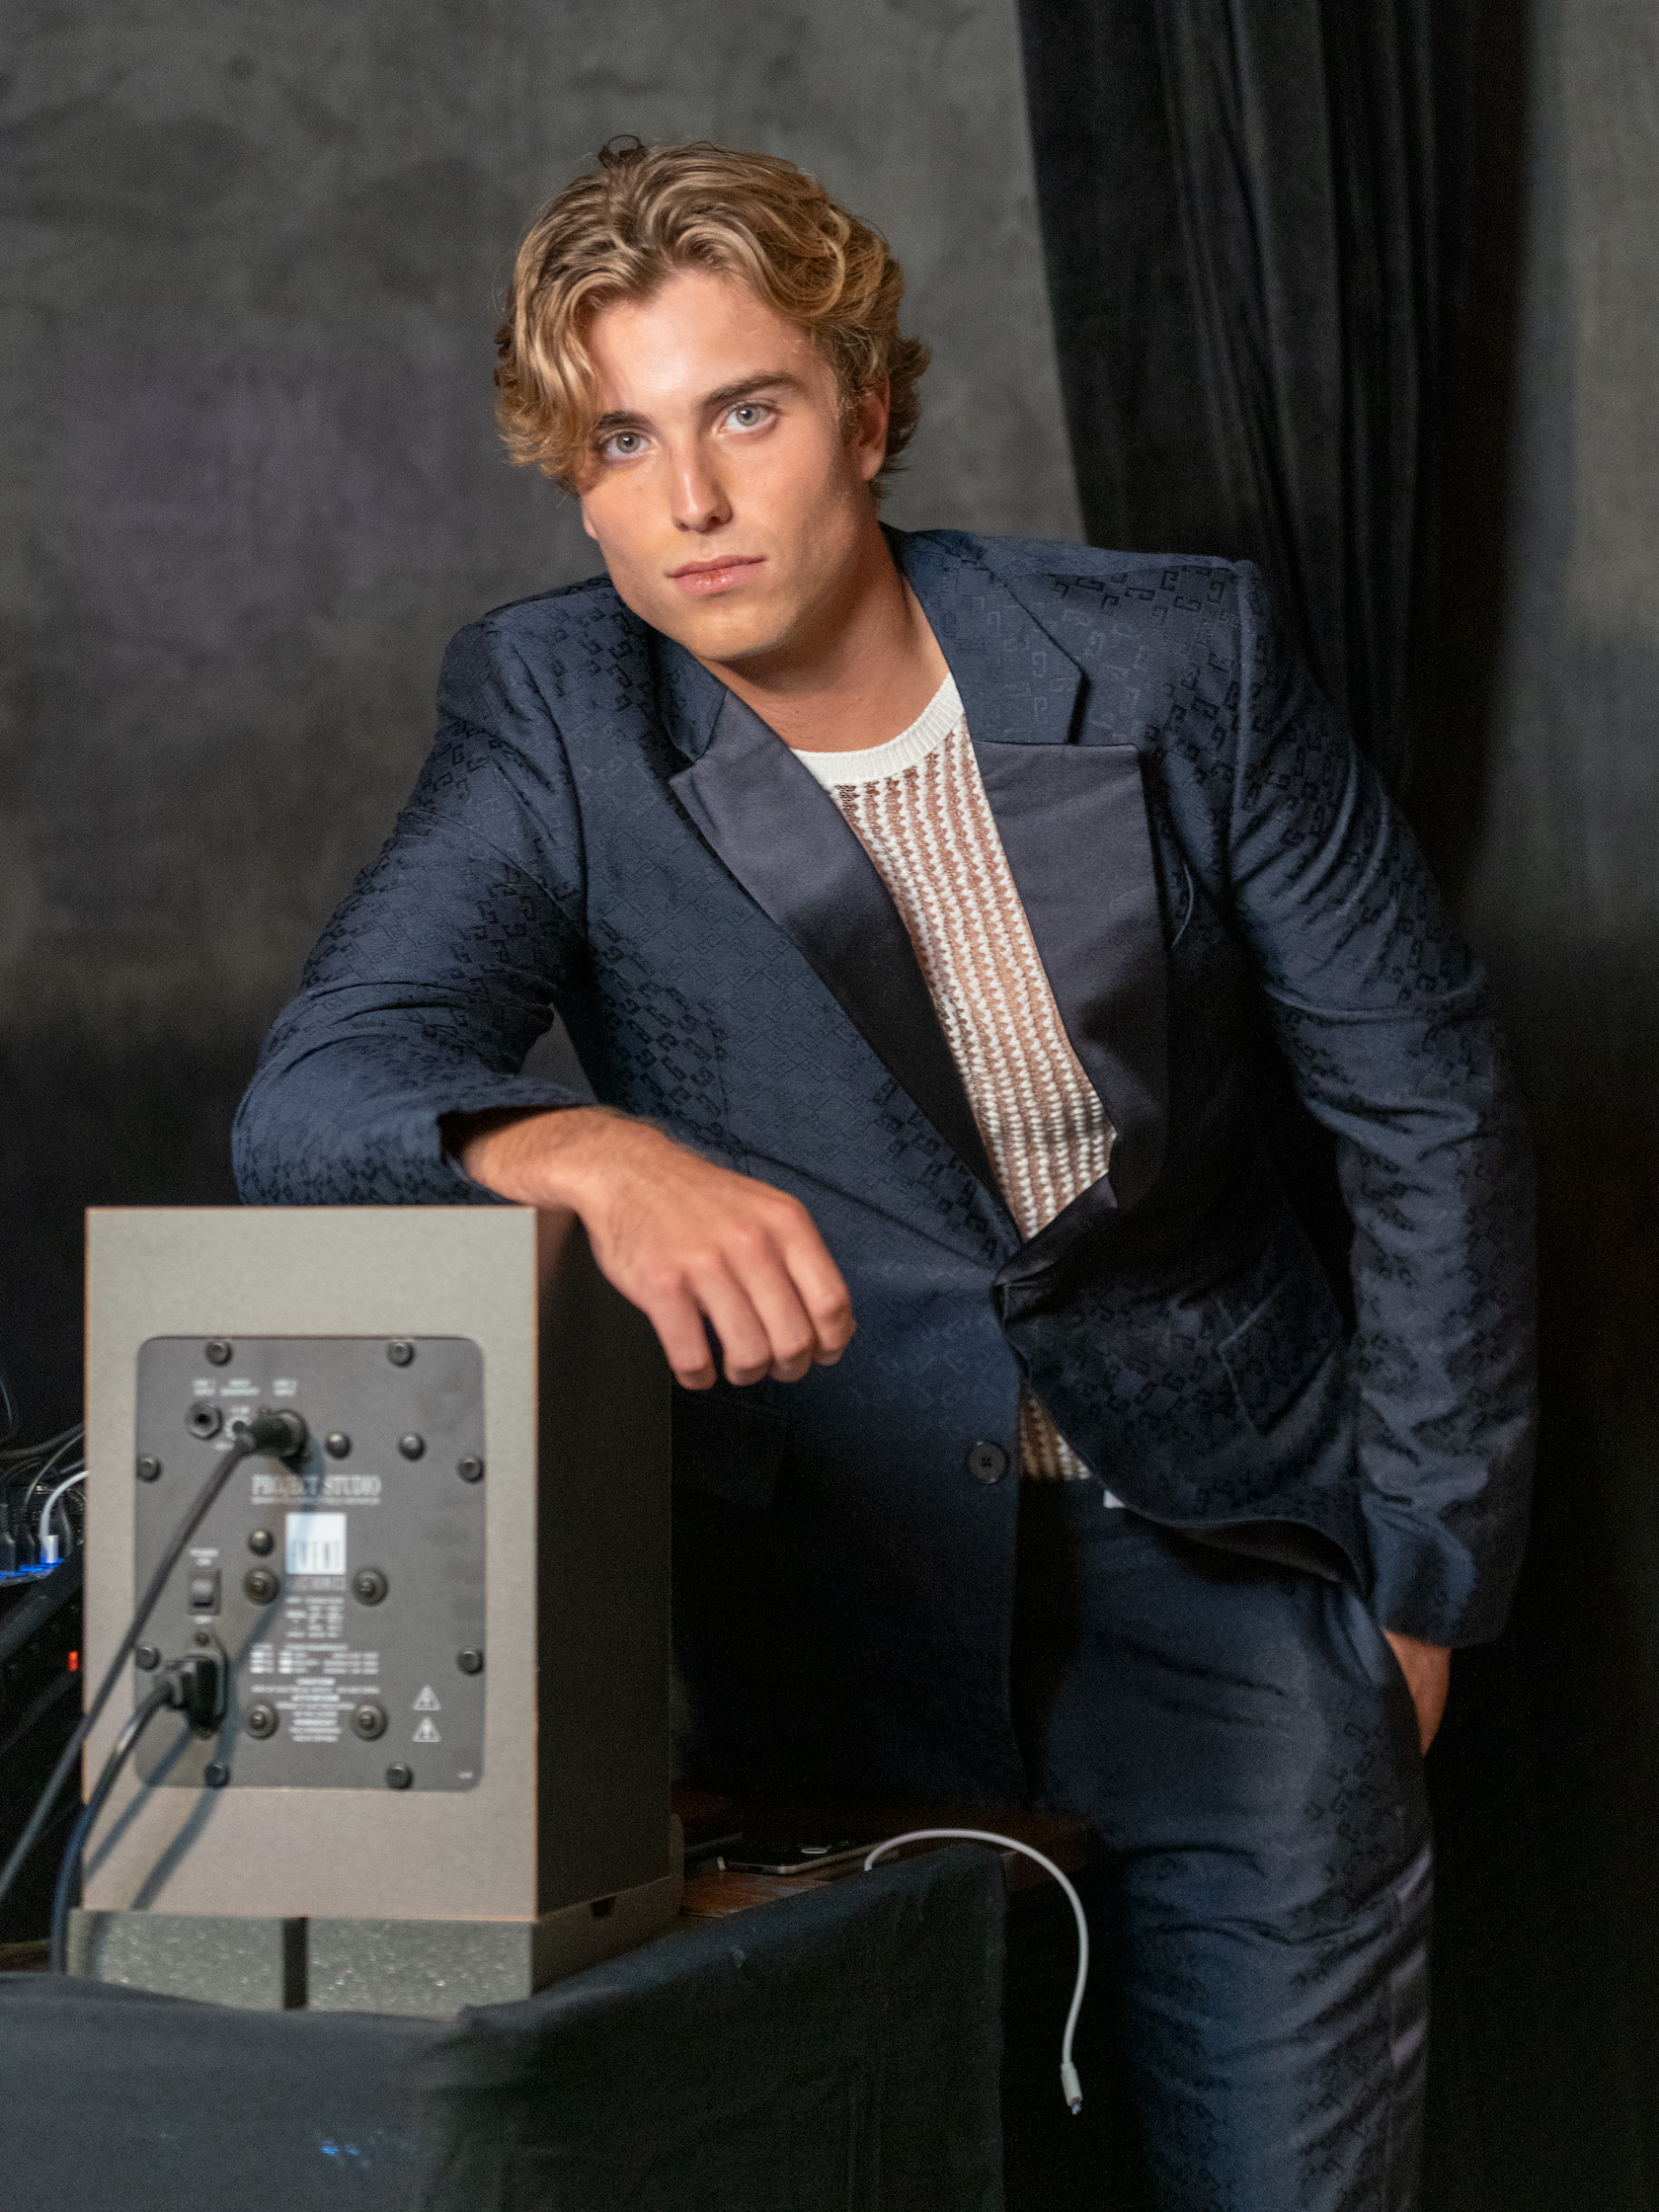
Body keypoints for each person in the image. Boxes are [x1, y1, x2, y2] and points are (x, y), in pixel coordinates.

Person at [234, 138, 1535, 2210]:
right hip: (823, 1625)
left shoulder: (1183, 658)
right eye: (619, 439)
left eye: (744, 409)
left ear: (864, 404)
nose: (691, 502)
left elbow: (1426, 1104)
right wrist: (563, 1142)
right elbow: (312, 1099)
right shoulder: (555, 713)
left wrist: (1424, 1590)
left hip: (1234, 1566)